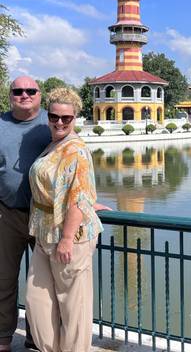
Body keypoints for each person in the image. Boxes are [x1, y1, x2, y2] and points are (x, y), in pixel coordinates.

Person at [26, 87, 108, 352]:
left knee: (74, 309)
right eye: (54, 117)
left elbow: (77, 198)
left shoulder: (77, 151)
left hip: (69, 238)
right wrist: (87, 200)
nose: (59, 122)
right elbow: (68, 188)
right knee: (37, 302)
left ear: (75, 118)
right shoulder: (54, 144)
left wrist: (67, 238)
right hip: (43, 231)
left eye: (66, 118)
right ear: (47, 116)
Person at [0, 76, 51, 352]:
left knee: (41, 284)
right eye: (18, 91)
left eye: (30, 90)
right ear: (10, 95)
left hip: (44, 216)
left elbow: (75, 161)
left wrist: (87, 201)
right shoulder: (0, 125)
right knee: (4, 279)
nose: (24, 95)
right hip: (7, 213)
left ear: (39, 94)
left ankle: (36, 340)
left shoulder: (52, 123)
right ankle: (3, 339)